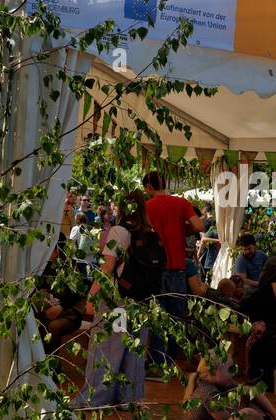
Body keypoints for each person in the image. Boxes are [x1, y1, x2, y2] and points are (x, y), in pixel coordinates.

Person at [77, 190, 151, 407]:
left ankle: (95, 398)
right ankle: (129, 398)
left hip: (118, 300)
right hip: (142, 300)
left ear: (120, 208)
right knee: (134, 350)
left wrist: (92, 295)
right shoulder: (148, 232)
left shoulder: (118, 231)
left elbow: (108, 266)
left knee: (108, 347)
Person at [142, 171, 203, 323]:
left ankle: (158, 347)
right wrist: (184, 229)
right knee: (176, 321)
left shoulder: (145, 207)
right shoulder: (182, 203)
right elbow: (199, 226)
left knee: (158, 322)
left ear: (148, 187)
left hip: (154, 268)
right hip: (177, 267)